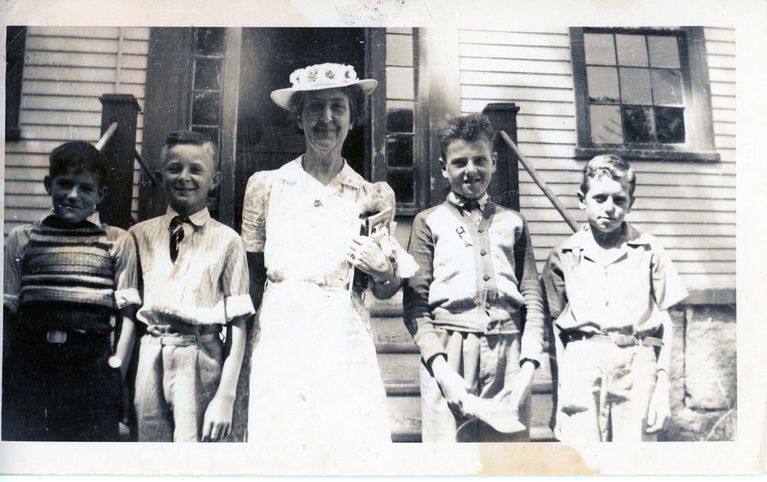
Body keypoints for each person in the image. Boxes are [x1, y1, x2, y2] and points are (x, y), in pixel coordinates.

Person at [242, 63, 412, 454]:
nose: (327, 119)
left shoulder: (372, 196)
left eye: (338, 107)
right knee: (282, 446)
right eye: (314, 108)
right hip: (281, 332)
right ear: (298, 118)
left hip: (342, 336)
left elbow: (385, 290)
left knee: (344, 447)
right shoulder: (267, 186)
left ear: (353, 118)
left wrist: (385, 270)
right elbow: (251, 278)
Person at [403, 113, 545, 442]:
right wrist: (440, 368)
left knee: (507, 463)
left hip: (509, 356)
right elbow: (415, 306)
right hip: (449, 354)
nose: (471, 170)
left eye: (480, 160)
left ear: (494, 162)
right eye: (459, 162)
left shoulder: (514, 223)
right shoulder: (428, 222)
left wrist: (528, 367)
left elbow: (534, 301)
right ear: (443, 167)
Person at [541, 154, 688, 444]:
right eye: (600, 198)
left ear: (630, 202)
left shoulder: (649, 249)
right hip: (581, 366)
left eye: (619, 200)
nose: (610, 208)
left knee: (635, 462)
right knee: (582, 462)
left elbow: (667, 324)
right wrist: (559, 400)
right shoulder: (563, 256)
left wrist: (662, 386)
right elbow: (555, 333)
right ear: (582, 199)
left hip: (636, 364)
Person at [2, 141, 140, 441]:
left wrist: (116, 370)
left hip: (90, 367)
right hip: (31, 364)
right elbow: (9, 313)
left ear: (100, 195)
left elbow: (127, 314)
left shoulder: (117, 241)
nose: (73, 195)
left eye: (86, 188)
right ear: (48, 185)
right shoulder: (22, 239)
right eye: (64, 184)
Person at [130, 130, 255, 442]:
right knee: (149, 458)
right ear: (161, 176)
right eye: (174, 168)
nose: (184, 177)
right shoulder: (138, 235)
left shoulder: (228, 241)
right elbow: (130, 314)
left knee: (194, 458)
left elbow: (239, 324)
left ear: (215, 179)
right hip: (149, 357)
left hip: (199, 358)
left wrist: (225, 396)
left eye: (196, 169)